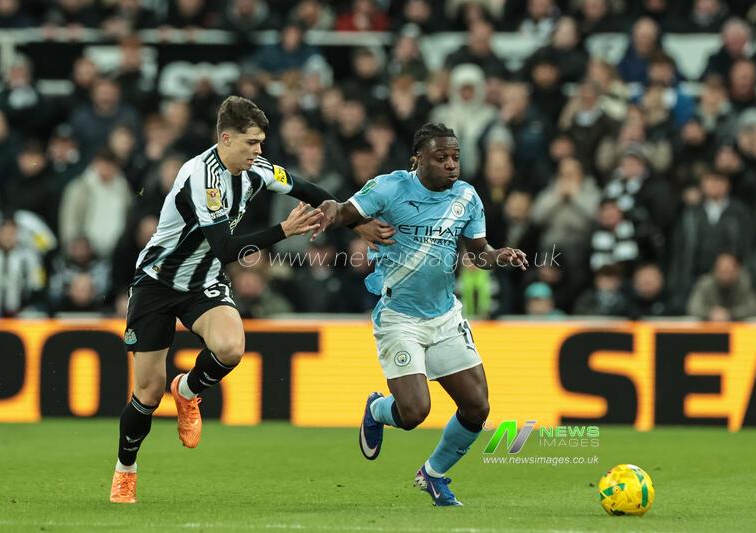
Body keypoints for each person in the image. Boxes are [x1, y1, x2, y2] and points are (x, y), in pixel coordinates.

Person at [109, 96, 393, 504]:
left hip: (201, 282)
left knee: (231, 346)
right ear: (226, 139)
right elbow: (225, 247)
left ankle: (187, 390)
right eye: (251, 143)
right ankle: (126, 470)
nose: (259, 151)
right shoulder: (202, 177)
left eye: (261, 142)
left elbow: (308, 188)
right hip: (156, 284)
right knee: (148, 394)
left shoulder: (256, 168)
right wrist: (282, 230)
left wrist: (358, 223)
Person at [315, 123, 528, 506]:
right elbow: (341, 213)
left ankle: (433, 473)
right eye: (441, 157)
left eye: (455, 158)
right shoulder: (390, 187)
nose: (451, 165)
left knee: (478, 407)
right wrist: (360, 225)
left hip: (445, 317)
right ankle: (377, 409)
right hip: (400, 317)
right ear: (418, 159)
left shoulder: (467, 196)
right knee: (414, 413)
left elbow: (478, 251)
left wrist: (499, 256)